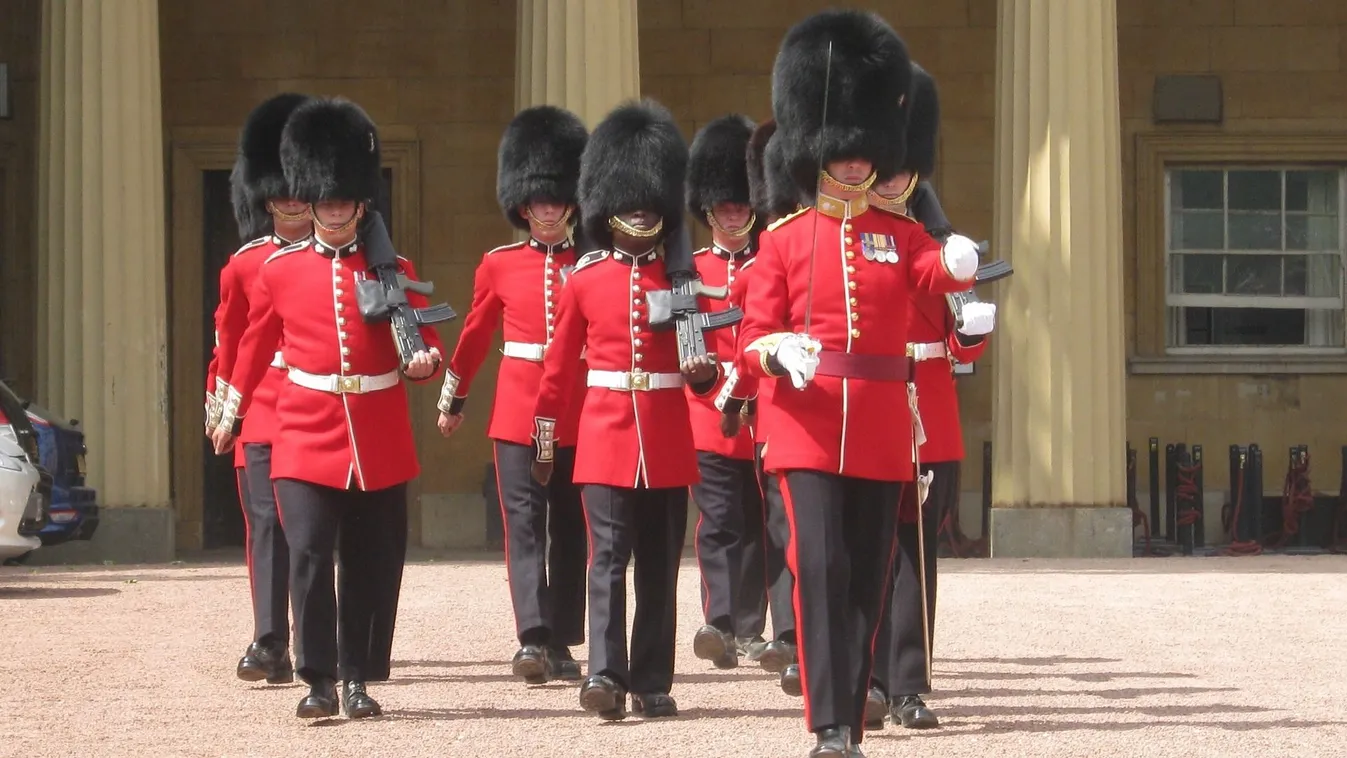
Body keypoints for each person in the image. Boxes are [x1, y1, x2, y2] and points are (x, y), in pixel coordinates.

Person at [736, 11, 980, 757]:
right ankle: (829, 725)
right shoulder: (781, 241)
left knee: (866, 575)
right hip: (804, 425)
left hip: (878, 429)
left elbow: (927, 273)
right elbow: (750, 338)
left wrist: (959, 262)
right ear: (816, 152)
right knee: (819, 563)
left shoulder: (900, 235)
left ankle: (853, 704)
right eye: (837, 152)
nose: (849, 163)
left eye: (860, 151)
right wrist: (777, 351)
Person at [212, 96, 444, 720]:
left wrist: (426, 365)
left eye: (345, 199)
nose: (336, 208)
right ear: (310, 199)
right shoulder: (280, 270)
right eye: (326, 198)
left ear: (362, 201)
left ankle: (357, 675)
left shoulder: (394, 266)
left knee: (370, 563)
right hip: (304, 432)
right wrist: (230, 406)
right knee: (310, 557)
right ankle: (317, 679)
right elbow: (253, 342)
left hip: (377, 435)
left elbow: (424, 340)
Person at [529, 99, 720, 721]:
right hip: (606, 435)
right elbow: (559, 367)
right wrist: (545, 436)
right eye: (630, 201)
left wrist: (703, 373)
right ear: (610, 206)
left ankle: (652, 678)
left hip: (665, 436)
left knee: (659, 567)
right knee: (605, 561)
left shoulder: (684, 281)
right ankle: (605, 675)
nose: (640, 210)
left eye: (649, 201)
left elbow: (704, 370)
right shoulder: (585, 279)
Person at [436, 105, 589, 685]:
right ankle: (531, 636)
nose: (548, 210)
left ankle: (563, 638)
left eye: (557, 200)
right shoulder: (499, 265)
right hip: (518, 408)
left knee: (572, 526)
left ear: (570, 201)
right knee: (522, 523)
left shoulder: (589, 264)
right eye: (539, 202)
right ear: (524, 206)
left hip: (577, 407)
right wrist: (454, 396)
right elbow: (475, 334)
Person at [864, 62, 996, 732]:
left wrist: (973, 333)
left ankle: (908, 682)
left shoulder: (945, 246)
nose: (891, 179)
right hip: (865, 406)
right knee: (863, 547)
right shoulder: (847, 240)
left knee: (917, 551)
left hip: (928, 414)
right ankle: (864, 676)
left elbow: (960, 342)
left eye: (899, 168)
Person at [205, 92, 313, 686]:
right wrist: (225, 406)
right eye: (281, 189)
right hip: (262, 405)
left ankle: (314, 635)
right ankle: (269, 639)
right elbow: (230, 341)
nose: (293, 199)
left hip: (316, 404)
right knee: (266, 524)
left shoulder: (338, 262)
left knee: (312, 530)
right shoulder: (244, 264)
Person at [683, 113, 766, 670]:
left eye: (742, 203)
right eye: (726, 205)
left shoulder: (771, 262)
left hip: (761, 414)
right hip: (709, 416)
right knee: (716, 523)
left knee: (759, 526)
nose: (734, 213)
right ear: (709, 208)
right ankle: (719, 621)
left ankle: (753, 628)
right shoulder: (690, 271)